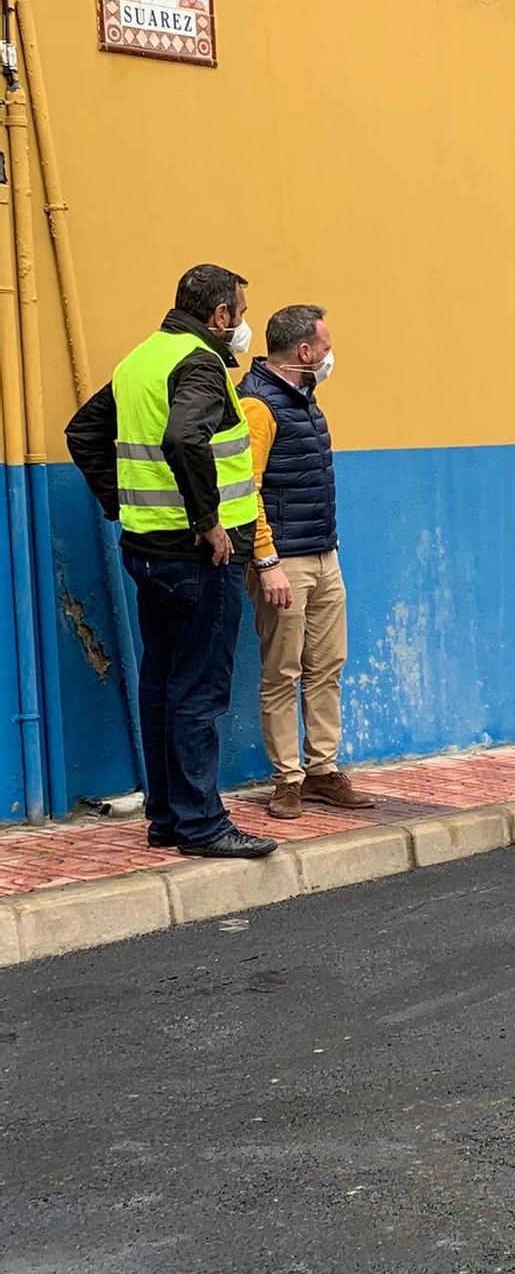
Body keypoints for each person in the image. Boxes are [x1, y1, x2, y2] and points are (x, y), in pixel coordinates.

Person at [64, 265, 276, 858]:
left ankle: (169, 819)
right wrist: (208, 522)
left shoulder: (141, 359)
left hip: (147, 550)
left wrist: (118, 501)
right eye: (239, 312)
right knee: (198, 691)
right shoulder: (201, 363)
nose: (241, 325)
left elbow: (83, 432)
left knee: (161, 683)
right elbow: (185, 438)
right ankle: (203, 824)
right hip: (199, 557)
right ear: (219, 316)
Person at [239, 304, 376, 819]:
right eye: (324, 345)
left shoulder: (306, 402)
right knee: (283, 671)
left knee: (327, 667)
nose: (328, 354)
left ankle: (323, 770)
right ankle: (287, 780)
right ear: (303, 351)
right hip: (285, 562)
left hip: (323, 554)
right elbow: (244, 490)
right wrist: (267, 559)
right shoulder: (258, 405)